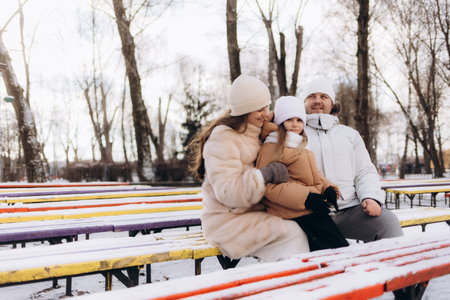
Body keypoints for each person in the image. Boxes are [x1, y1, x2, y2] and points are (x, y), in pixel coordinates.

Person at [189, 75, 310, 262]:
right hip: (227, 221)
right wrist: (264, 175)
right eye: (259, 109)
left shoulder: (257, 129)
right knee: (293, 233)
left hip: (256, 212)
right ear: (244, 110)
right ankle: (286, 284)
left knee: (310, 223)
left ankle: (298, 279)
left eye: (266, 107)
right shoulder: (224, 138)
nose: (265, 113)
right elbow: (227, 192)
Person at [302, 77, 403, 242]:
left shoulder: (349, 135)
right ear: (304, 102)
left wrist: (370, 197)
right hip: (310, 213)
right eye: (312, 96)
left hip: (350, 210)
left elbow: (364, 171)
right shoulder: (293, 135)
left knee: (387, 222)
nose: (318, 101)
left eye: (324, 97)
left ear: (332, 103)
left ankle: (394, 267)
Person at [256, 96, 349, 251]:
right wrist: (305, 198)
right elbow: (266, 186)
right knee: (335, 248)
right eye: (289, 119)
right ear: (280, 121)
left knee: (338, 247)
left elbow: (313, 174)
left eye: (299, 120)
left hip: (310, 207)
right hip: (289, 210)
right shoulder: (272, 145)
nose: (295, 124)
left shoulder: (300, 143)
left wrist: (327, 187)